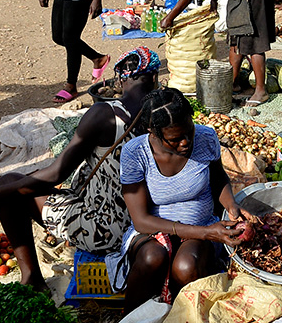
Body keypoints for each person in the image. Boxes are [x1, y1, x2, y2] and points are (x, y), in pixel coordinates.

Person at [0, 48, 159, 291]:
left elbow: (56, 174)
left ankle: (31, 277)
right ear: (155, 78)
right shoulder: (167, 113)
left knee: (8, 184)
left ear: (120, 79)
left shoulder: (105, 115)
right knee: (21, 184)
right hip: (148, 222)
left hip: (107, 230)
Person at [106, 87, 252, 311]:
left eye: (189, 132)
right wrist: (206, 232)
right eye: (175, 139)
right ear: (152, 133)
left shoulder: (205, 137)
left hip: (201, 225)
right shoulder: (136, 153)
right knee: (152, 258)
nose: (185, 143)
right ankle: (131, 316)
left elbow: (217, 177)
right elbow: (141, 221)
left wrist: (231, 205)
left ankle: (182, 313)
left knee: (185, 266)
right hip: (154, 230)